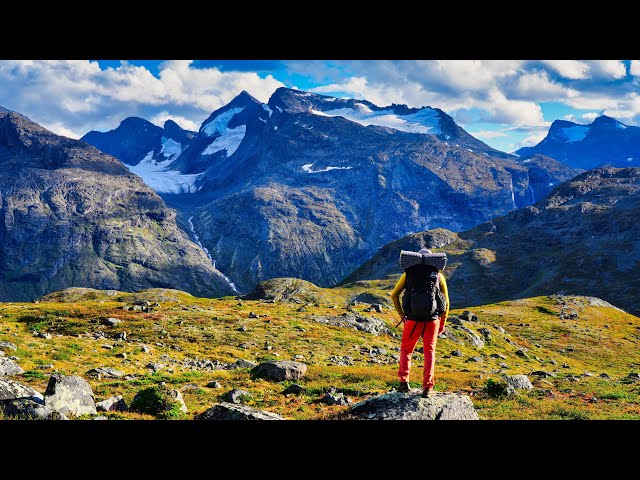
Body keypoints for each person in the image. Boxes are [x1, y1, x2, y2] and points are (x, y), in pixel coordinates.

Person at [389, 248, 449, 398]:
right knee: (429, 352)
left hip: (413, 319)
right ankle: (427, 388)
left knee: (406, 350)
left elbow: (394, 295)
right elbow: (446, 302)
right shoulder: (438, 276)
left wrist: (402, 315)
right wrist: (443, 321)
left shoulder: (408, 274)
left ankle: (404, 382)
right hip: (433, 319)